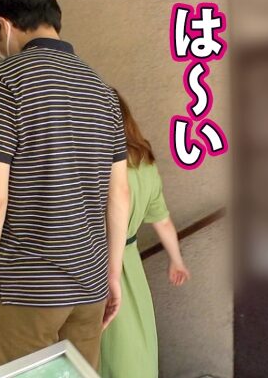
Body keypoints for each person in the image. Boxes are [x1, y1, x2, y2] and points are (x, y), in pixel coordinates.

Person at [0, 0, 130, 371]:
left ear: (3, 25)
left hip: (26, 289)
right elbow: (120, 195)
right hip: (90, 284)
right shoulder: (102, 89)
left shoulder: (0, 80)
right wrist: (112, 275)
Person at [100, 90, 190, 378]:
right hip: (130, 263)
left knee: (106, 347)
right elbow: (162, 221)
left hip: (98, 262)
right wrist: (176, 260)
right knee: (136, 343)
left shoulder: (94, 162)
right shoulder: (145, 163)